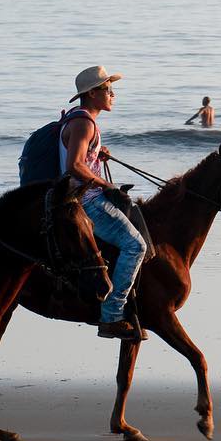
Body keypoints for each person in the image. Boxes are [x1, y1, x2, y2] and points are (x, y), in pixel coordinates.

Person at [61, 65, 147, 341]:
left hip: (85, 195)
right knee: (136, 245)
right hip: (87, 201)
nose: (113, 94)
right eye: (108, 89)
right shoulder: (84, 122)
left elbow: (80, 157)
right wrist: (106, 185)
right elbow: (73, 165)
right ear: (93, 93)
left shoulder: (80, 120)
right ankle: (111, 316)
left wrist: (97, 156)